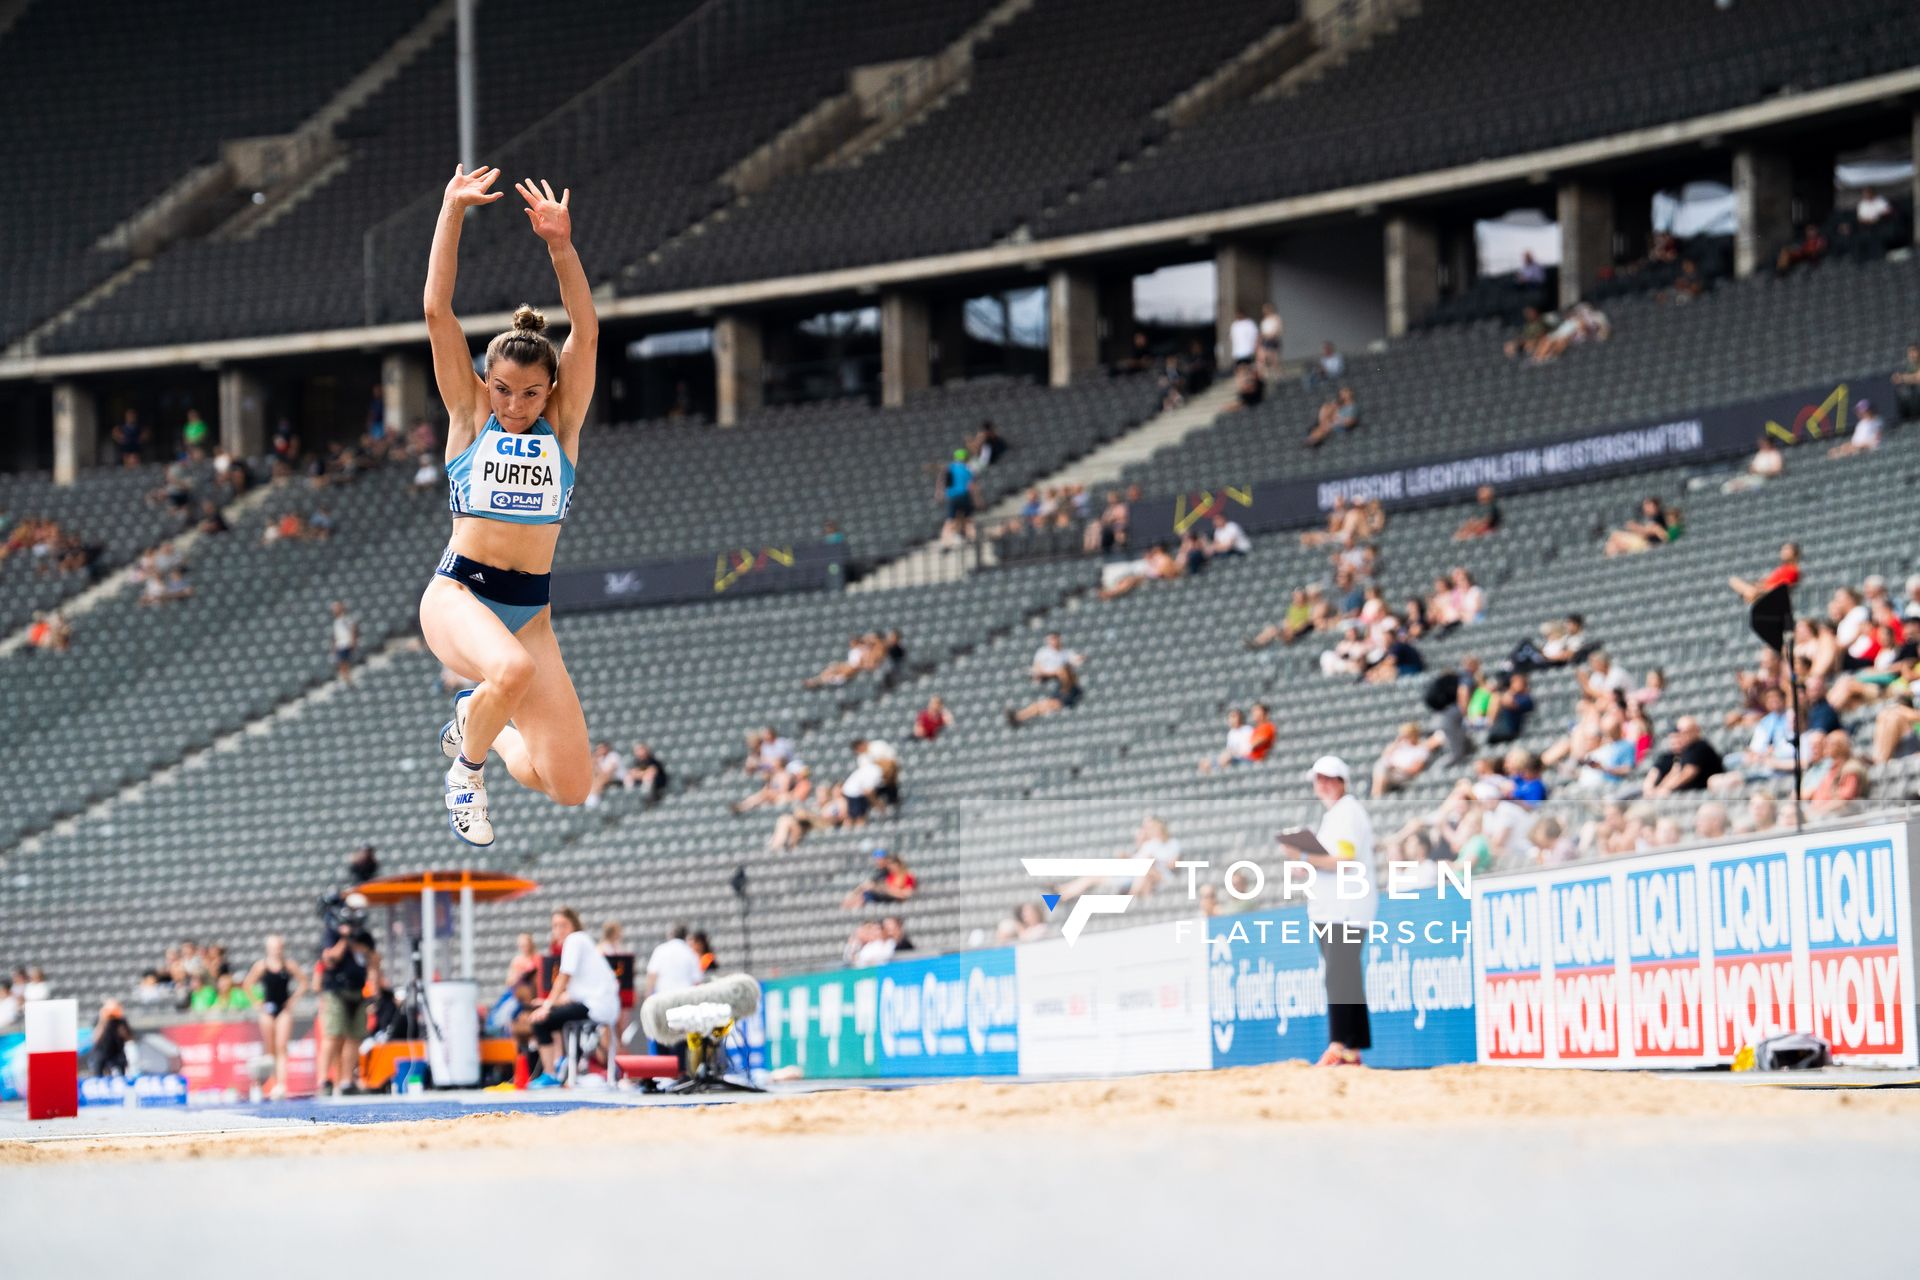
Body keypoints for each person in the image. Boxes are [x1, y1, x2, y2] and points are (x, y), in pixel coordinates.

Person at [424, 167, 598, 848]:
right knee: (513, 671)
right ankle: (465, 775)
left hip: (529, 615)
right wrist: (451, 213)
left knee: (570, 784)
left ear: (551, 390)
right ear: (486, 382)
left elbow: (584, 324)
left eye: (529, 395)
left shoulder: (565, 425)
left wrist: (561, 246)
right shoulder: (470, 415)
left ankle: (483, 727)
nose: (514, 406)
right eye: (502, 390)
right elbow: (439, 312)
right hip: (458, 596)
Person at [1283, 757, 1374, 1067]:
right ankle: (1351, 1048)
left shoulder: (1346, 813)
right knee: (1344, 976)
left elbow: (1343, 860)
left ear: (1341, 782)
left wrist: (1305, 856)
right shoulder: (1338, 814)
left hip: (1344, 907)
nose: (1322, 784)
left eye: (1328, 778)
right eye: (1318, 779)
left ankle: (1341, 1045)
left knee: (1340, 976)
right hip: (1336, 906)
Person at [526, 907, 621, 1087]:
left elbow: (564, 976)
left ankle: (550, 1073)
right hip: (601, 1005)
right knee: (553, 1016)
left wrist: (547, 1006)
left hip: (596, 1006)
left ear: (573, 925)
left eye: (563, 925)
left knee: (541, 1021)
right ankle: (564, 1067)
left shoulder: (574, 940)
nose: (559, 930)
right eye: (555, 926)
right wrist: (549, 1003)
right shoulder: (583, 942)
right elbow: (574, 991)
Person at [316, 899, 380, 1096]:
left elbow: (374, 962)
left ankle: (345, 1082)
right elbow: (329, 959)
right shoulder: (333, 933)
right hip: (337, 991)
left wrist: (374, 989)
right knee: (333, 1036)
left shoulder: (365, 938)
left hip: (358, 992)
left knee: (354, 1038)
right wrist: (345, 940)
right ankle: (324, 1081)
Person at [245, 934, 305, 1100]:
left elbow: (303, 982)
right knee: (270, 1048)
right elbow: (247, 984)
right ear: (268, 949)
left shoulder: (288, 965)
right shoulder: (262, 966)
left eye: (279, 947)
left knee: (281, 1046)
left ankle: (281, 1084)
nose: (277, 950)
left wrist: (292, 1000)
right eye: (274, 947)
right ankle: (270, 1083)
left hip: (283, 1009)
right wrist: (257, 1003)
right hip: (268, 1009)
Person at [1729, 541, 1801, 604]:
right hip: (1763, 592)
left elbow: (1780, 589)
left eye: (1786, 549)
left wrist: (1759, 590)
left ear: (1794, 553)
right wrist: (1757, 585)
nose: (1782, 551)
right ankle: (1750, 595)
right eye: (1782, 549)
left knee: (1742, 586)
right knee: (1734, 580)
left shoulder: (1793, 570)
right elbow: (1768, 582)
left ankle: (1751, 595)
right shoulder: (1781, 569)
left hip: (1769, 595)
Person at [940, 448, 977, 544]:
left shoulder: (950, 468)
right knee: (968, 519)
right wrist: (977, 500)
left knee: (950, 520)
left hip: (953, 497)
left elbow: (943, 481)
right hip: (964, 495)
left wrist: (941, 493)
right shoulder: (968, 468)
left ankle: (945, 542)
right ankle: (973, 539)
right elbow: (972, 485)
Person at [91, 1001, 135, 1079]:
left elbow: (129, 1038)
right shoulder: (99, 1019)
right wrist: (103, 1020)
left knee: (121, 1070)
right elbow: (95, 1039)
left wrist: (122, 1030)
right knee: (98, 1070)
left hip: (117, 1052)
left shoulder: (121, 1021)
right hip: (102, 1052)